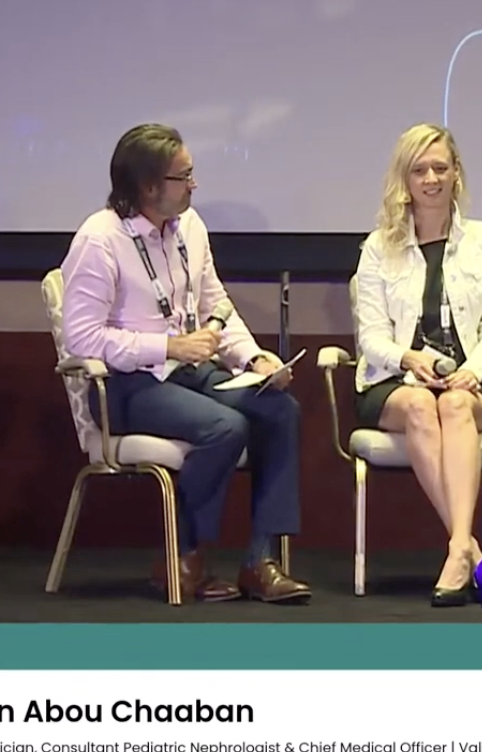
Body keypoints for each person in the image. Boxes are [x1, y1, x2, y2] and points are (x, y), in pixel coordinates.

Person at [61, 123, 310, 605]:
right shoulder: (100, 240)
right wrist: (168, 347)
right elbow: (82, 337)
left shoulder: (190, 228)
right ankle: (185, 554)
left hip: (190, 372)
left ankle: (260, 562)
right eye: (184, 176)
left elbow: (216, 304)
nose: (194, 185)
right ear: (149, 187)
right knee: (225, 426)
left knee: (280, 409)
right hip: (125, 385)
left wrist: (252, 357)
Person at [351, 123, 482, 607]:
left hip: (471, 381)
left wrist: (475, 369)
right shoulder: (379, 247)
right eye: (419, 170)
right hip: (396, 382)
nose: (431, 179)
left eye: (440, 168)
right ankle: (465, 548)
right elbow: (371, 335)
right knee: (423, 405)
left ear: (456, 173)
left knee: (456, 406)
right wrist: (408, 357)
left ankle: (458, 550)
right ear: (404, 179)